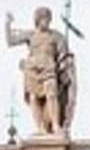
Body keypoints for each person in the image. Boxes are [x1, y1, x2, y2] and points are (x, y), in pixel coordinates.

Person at [4, 8, 77, 136]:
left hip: (49, 67)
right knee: (33, 98)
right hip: (31, 69)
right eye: (44, 19)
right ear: (37, 20)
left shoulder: (57, 36)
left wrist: (65, 68)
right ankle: (40, 128)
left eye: (48, 19)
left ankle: (55, 125)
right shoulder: (30, 35)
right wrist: (7, 24)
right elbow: (11, 41)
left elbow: (64, 55)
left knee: (51, 94)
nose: (47, 22)